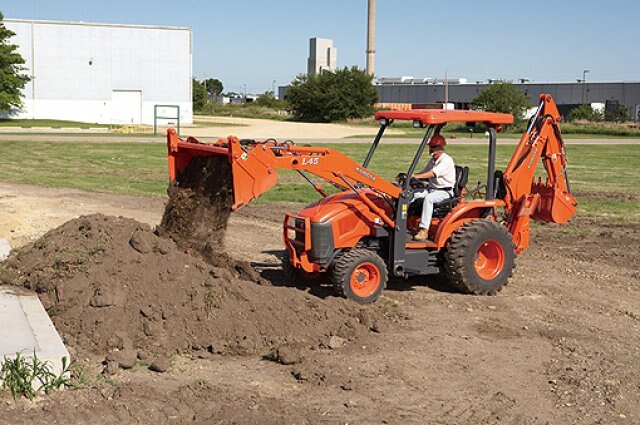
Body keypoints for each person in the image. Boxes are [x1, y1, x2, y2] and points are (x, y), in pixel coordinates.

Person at [411, 134, 456, 241]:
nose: (430, 150)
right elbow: (424, 172)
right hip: (432, 189)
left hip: (445, 191)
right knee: (412, 194)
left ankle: (424, 230)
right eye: (430, 147)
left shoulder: (446, 160)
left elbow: (432, 174)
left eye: (432, 148)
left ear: (439, 149)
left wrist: (416, 176)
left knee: (429, 199)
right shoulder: (433, 160)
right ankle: (401, 221)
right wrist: (411, 177)